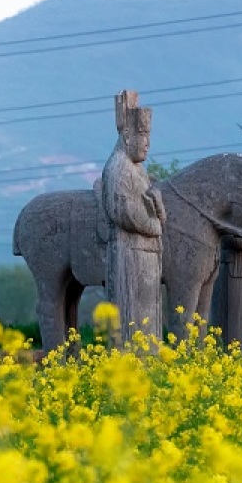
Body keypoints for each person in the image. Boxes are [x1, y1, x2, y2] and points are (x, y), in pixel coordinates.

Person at [99, 90, 165, 345]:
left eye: (149, 137)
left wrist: (159, 208)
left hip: (147, 253)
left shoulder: (138, 169)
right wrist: (154, 224)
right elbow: (125, 212)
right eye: (143, 136)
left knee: (148, 312)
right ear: (127, 137)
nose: (147, 143)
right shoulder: (119, 167)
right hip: (130, 253)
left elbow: (151, 205)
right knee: (133, 312)